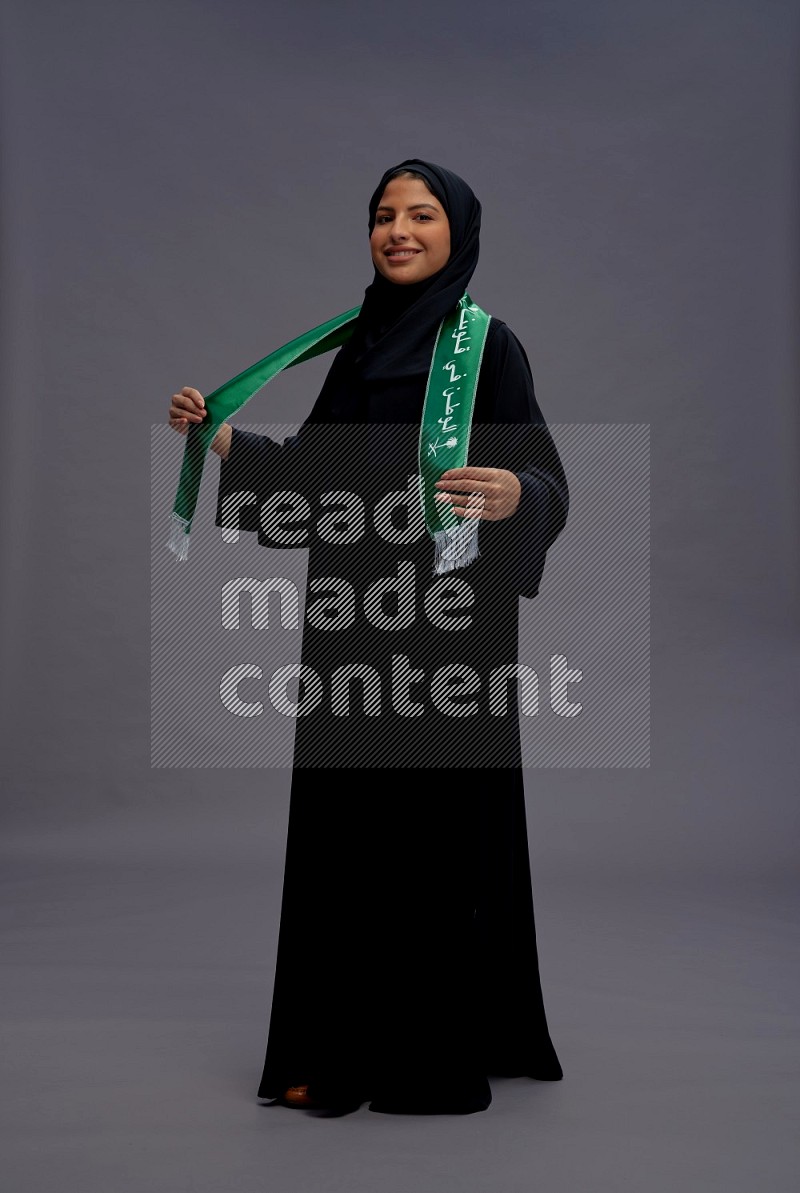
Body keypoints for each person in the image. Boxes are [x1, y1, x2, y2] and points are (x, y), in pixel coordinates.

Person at [167, 158, 569, 1115]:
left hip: (452, 632)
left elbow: (544, 479)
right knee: (346, 835)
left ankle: (429, 1057)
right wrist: (225, 443)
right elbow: (311, 483)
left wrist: (518, 494)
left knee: (434, 840)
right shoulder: (353, 350)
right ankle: (334, 1047)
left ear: (457, 231)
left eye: (421, 215)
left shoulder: (488, 348)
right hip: (350, 628)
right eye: (384, 215)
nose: (398, 231)